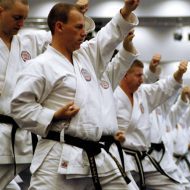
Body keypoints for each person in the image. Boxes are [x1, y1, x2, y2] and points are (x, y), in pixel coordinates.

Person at [11, 1, 139, 189]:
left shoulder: (86, 56)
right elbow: (20, 108)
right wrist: (53, 115)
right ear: (59, 27)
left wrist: (126, 10)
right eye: (78, 27)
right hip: (58, 155)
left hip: (95, 154)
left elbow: (108, 36)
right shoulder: (40, 65)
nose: (84, 33)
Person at [0, 0, 52, 188]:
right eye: (17, 17)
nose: (21, 23)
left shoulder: (28, 42)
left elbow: (62, 34)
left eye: (24, 19)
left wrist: (77, 12)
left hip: (21, 135)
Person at [114, 59, 188, 190]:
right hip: (122, 160)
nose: (142, 79)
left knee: (177, 188)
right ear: (125, 74)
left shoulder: (143, 93)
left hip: (144, 160)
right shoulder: (112, 95)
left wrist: (179, 73)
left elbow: (164, 87)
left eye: (142, 75)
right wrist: (112, 134)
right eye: (138, 75)